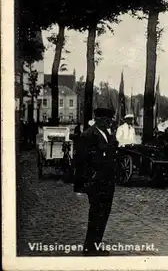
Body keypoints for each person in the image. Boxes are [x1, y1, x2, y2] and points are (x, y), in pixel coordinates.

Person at [73, 108, 118, 256]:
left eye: (110, 120)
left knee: (104, 215)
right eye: (107, 119)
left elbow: (110, 153)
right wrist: (82, 184)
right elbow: (80, 160)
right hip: (96, 182)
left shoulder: (108, 133)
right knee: (96, 215)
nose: (109, 122)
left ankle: (95, 245)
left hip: (107, 182)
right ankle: (89, 247)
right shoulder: (88, 135)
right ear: (99, 119)